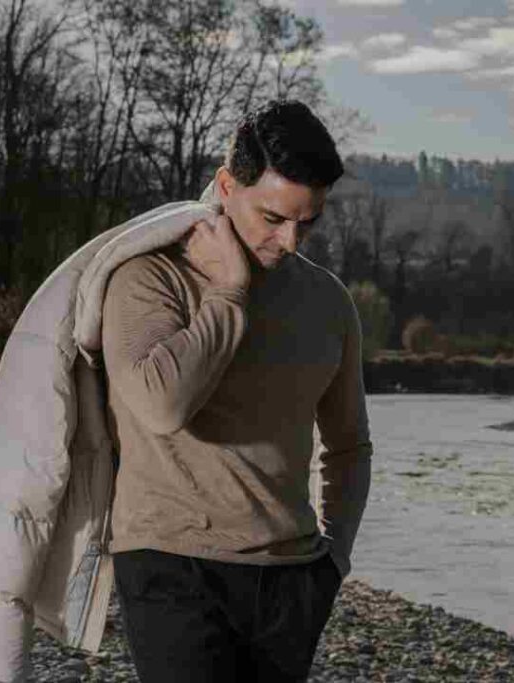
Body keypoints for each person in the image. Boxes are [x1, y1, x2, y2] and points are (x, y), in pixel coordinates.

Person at [100, 98, 373, 682]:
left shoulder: (328, 302)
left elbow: (348, 445)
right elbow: (161, 404)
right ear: (227, 186)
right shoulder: (149, 277)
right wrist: (230, 293)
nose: (292, 241)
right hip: (172, 565)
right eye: (274, 218)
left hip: (293, 576)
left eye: (309, 221)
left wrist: (335, 558)